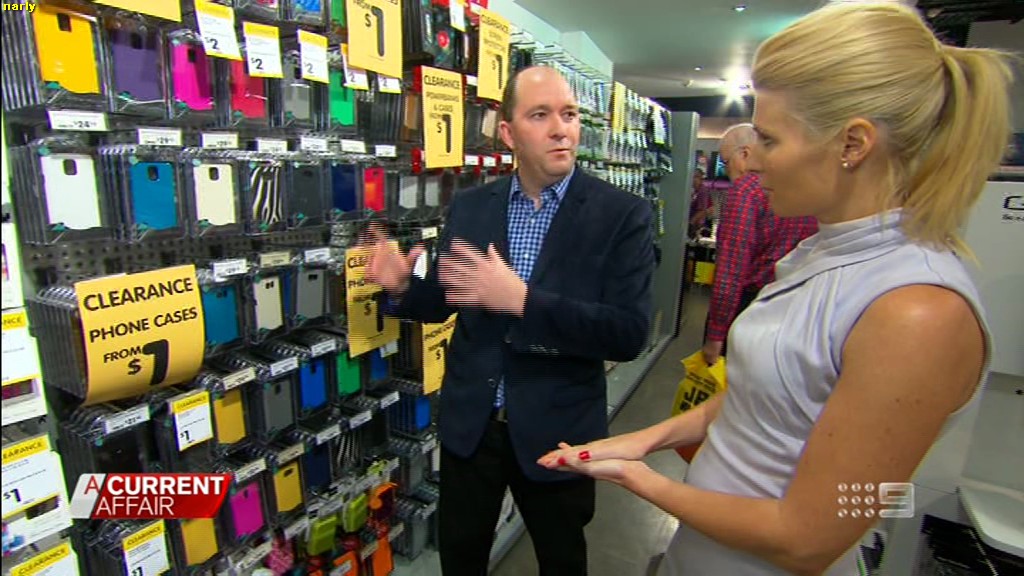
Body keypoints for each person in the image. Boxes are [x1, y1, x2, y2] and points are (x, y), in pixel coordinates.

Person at [538, 2, 1012, 575]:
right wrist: (646, 439)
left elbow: (808, 539)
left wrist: (639, 479)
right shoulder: (822, 252)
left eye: (768, 139)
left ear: (853, 144)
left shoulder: (918, 313)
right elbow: (764, 396)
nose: (752, 162)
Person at [365, 65, 655, 576]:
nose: (560, 129)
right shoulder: (472, 206)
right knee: (461, 557)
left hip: (558, 429)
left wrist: (523, 301)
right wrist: (403, 287)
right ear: (508, 132)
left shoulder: (622, 215)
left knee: (562, 561)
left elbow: (628, 333)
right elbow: (450, 299)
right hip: (472, 426)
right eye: (540, 115)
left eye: (569, 114)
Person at [701, 124, 817, 364]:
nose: (726, 170)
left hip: (749, 306)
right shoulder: (804, 185)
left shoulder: (745, 190)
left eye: (726, 162)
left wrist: (716, 333)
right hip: (796, 307)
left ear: (744, 154)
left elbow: (731, 270)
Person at [687, 168, 712, 238]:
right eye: (693, 177)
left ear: (701, 179)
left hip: (697, 225)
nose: (694, 179)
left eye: (696, 177)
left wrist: (690, 223)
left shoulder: (703, 191)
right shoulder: (693, 191)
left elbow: (702, 211)